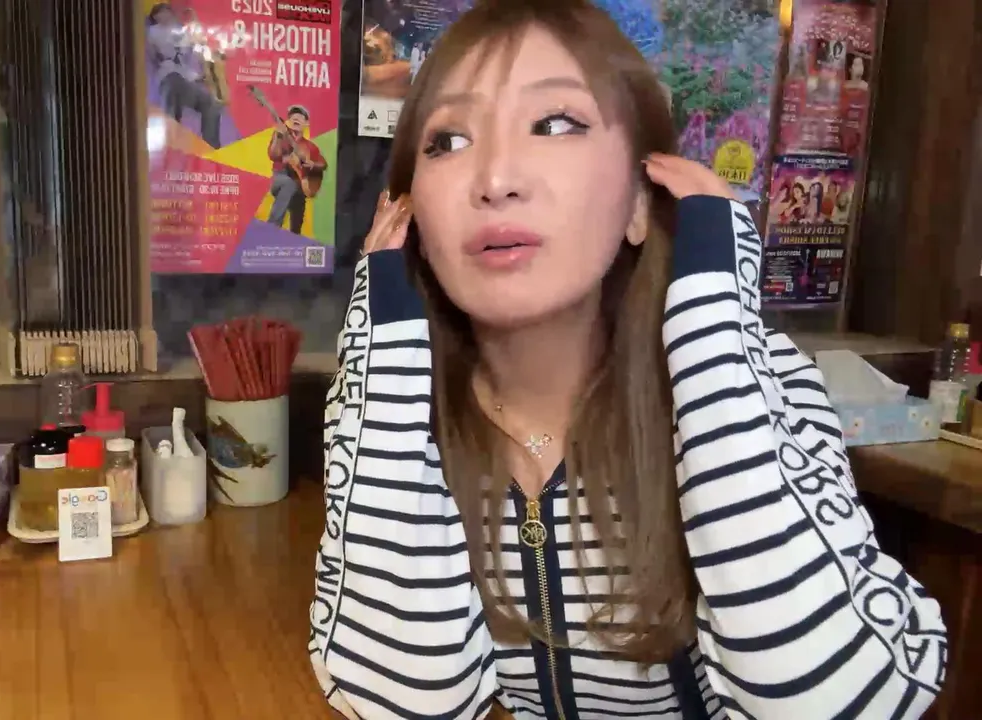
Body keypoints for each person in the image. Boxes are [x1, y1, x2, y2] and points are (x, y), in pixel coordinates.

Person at [308, 1, 946, 719]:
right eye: (448, 140)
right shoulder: (394, 408)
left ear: (641, 202)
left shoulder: (757, 377)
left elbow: (838, 702)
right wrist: (381, 340)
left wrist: (713, 318)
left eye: (556, 123)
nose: (496, 178)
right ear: (412, 215)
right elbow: (404, 702)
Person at [146, 3, 223, 148]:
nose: (165, 15)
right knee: (172, 92)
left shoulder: (182, 31)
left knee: (211, 103)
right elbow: (152, 57)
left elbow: (194, 50)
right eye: (160, 13)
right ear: (155, 17)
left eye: (166, 12)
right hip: (168, 76)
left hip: (186, 77)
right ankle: (170, 144)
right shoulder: (153, 32)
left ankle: (212, 146)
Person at [266, 105, 326, 234]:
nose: (296, 118)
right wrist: (277, 137)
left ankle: (295, 236)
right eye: (293, 116)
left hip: (299, 182)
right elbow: (273, 155)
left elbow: (323, 164)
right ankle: (271, 228)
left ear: (306, 123)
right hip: (280, 178)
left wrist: (312, 164)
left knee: (299, 201)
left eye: (300, 117)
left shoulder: (310, 146)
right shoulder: (281, 135)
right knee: (289, 184)